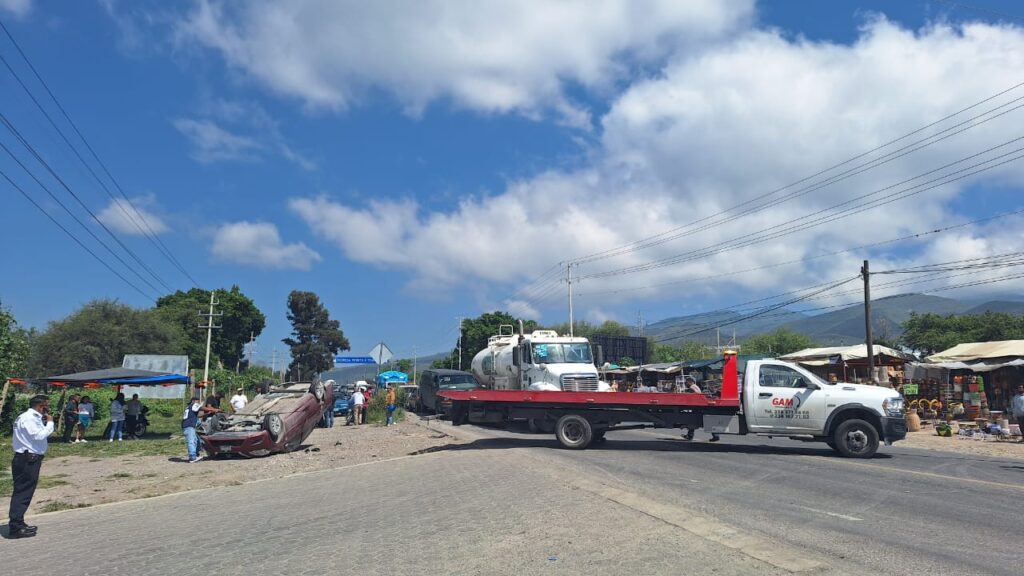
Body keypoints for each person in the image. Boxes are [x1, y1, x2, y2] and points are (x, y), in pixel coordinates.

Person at [8, 395, 54, 538]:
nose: (47, 409)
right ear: (40, 406)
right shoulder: (28, 418)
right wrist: (50, 423)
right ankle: (15, 527)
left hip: (28, 458)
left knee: (24, 492)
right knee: (22, 492)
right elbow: (39, 436)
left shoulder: (30, 417)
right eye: (46, 405)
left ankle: (19, 522)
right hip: (27, 459)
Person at [681, 378, 720, 442]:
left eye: (687, 382)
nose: (686, 383)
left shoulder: (692, 387)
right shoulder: (695, 387)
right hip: (699, 406)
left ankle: (715, 435)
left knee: (697, 421)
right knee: (694, 422)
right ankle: (690, 435)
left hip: (698, 407)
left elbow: (693, 394)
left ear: (691, 382)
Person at [181, 397, 204, 463]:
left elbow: (198, 415)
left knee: (197, 440)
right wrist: (213, 410)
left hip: (188, 426)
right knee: (191, 441)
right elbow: (202, 408)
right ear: (193, 401)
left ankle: (195, 455)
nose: (198, 403)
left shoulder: (189, 407)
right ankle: (192, 457)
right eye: (197, 401)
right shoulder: (194, 405)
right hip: (189, 426)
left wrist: (207, 413)